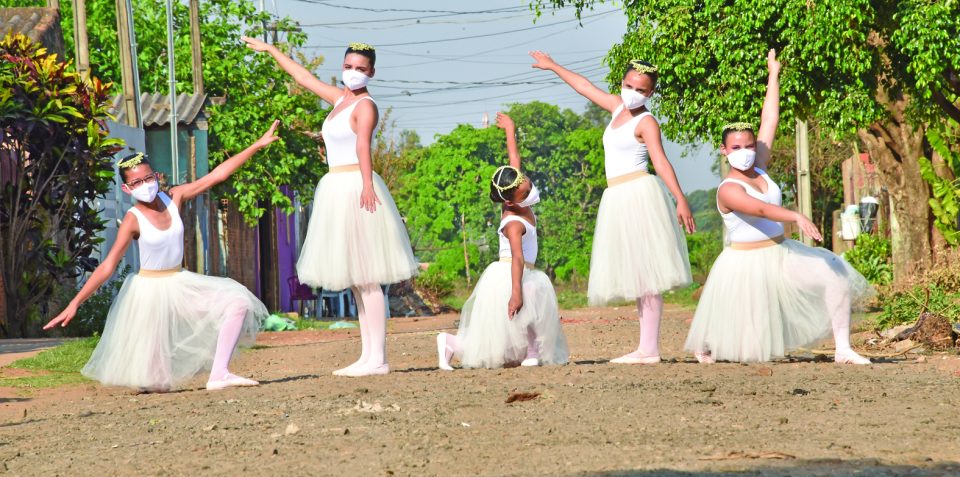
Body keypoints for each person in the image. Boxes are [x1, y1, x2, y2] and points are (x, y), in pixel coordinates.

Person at [44, 122, 282, 391]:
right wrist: (75, 303)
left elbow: (216, 176)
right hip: (149, 293)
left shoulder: (174, 197)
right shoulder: (132, 220)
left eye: (148, 179)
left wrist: (256, 145)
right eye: (136, 182)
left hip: (180, 283)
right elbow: (109, 265)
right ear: (126, 189)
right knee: (156, 383)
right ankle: (154, 378)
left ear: (156, 176)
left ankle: (219, 374)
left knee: (237, 303)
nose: (144, 185)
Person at [243, 38, 418, 377]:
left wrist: (367, 185)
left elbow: (363, 147)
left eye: (361, 69)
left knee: (368, 278)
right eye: (349, 66)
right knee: (355, 279)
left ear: (372, 73)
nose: (353, 73)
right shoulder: (339, 101)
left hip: (354, 185)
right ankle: (367, 355)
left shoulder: (365, 106)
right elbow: (304, 79)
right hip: (336, 185)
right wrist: (272, 51)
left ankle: (378, 358)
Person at [684, 49, 872, 364]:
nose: (744, 152)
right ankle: (707, 342)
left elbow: (769, 118)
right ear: (724, 150)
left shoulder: (759, 165)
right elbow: (759, 210)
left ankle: (843, 349)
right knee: (745, 345)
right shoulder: (728, 190)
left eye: (748, 146)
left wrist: (774, 74)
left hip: (781, 252)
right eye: (736, 148)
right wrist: (795, 215)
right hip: (745, 264)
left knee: (836, 274)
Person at [529, 51, 694, 364]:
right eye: (629, 85)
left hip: (638, 194)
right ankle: (646, 347)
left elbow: (660, 161)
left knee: (647, 274)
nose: (633, 93)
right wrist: (553, 66)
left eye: (641, 90)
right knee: (636, 273)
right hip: (616, 196)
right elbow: (584, 87)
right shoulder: (617, 107)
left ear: (651, 93)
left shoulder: (647, 122)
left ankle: (649, 349)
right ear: (622, 83)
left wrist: (680, 198)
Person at [437, 113, 568, 370]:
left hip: (522, 271)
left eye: (529, 186)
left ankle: (451, 343)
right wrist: (515, 293)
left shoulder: (516, 193)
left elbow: (514, 161)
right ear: (510, 201)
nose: (531, 192)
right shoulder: (514, 222)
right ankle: (530, 352)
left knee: (501, 348)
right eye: (526, 193)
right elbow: (517, 258)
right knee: (528, 298)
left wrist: (510, 130)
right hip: (510, 275)